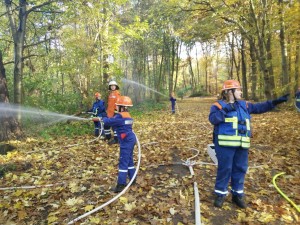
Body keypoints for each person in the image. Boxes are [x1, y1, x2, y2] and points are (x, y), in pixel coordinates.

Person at [208, 80, 289, 209]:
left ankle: (237, 195)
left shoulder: (244, 105)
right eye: (238, 90)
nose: (241, 92)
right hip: (224, 145)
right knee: (225, 168)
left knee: (240, 168)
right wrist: (228, 107)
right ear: (230, 92)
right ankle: (220, 194)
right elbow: (213, 119)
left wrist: (275, 102)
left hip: (242, 145)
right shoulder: (218, 105)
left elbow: (259, 107)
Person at [101, 96, 137, 193]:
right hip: (130, 139)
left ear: (121, 106)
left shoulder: (119, 116)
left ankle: (121, 184)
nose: (115, 107)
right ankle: (133, 179)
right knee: (129, 160)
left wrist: (102, 118)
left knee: (123, 162)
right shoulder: (128, 115)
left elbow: (109, 122)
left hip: (126, 141)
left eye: (117, 105)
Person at [106, 80, 121, 145]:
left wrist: (116, 112)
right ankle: (108, 137)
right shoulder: (110, 94)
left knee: (115, 126)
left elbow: (118, 103)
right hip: (109, 113)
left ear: (116, 86)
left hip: (115, 112)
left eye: (113, 86)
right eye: (111, 86)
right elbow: (109, 104)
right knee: (107, 125)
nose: (112, 87)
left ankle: (116, 139)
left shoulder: (117, 93)